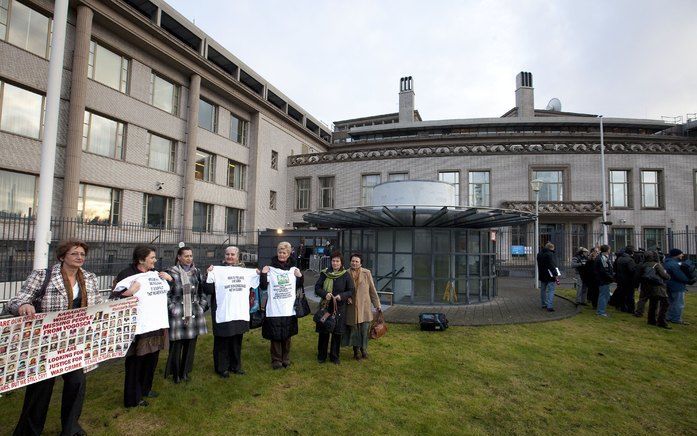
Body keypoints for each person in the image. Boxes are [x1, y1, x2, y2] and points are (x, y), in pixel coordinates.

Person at [8, 239, 103, 436]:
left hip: (75, 341)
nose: (79, 258)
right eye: (74, 254)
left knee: (76, 384)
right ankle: (29, 430)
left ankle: (71, 428)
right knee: (41, 388)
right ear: (62, 257)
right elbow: (17, 299)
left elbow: (99, 304)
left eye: (82, 254)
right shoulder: (43, 276)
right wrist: (22, 306)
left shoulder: (90, 278)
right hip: (46, 342)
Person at [112, 245, 172, 408]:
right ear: (140, 260)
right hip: (138, 327)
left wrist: (169, 279)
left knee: (151, 359)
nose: (155, 260)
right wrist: (129, 292)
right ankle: (132, 398)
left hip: (156, 323)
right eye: (152, 257)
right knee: (136, 363)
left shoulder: (155, 274)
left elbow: (165, 290)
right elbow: (114, 299)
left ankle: (146, 389)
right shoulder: (127, 275)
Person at [164, 246, 208, 383]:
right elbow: (166, 293)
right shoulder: (171, 272)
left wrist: (202, 306)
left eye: (191, 256)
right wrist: (172, 308)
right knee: (177, 344)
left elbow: (202, 291)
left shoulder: (197, 272)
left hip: (194, 312)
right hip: (178, 312)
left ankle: (185, 372)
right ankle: (175, 373)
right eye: (186, 256)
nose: (189, 258)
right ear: (179, 257)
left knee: (190, 344)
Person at [206, 246, 251, 377]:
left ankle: (235, 366)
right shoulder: (217, 270)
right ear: (224, 256)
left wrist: (259, 274)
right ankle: (221, 368)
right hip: (223, 310)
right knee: (222, 341)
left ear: (238, 257)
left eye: (233, 254)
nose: (230, 257)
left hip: (238, 311)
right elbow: (208, 290)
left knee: (237, 340)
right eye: (227, 254)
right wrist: (208, 274)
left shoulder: (244, 271)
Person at [259, 242, 303, 369]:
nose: (282, 255)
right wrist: (263, 274)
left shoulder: (293, 269)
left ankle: (286, 357)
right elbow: (262, 286)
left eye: (284, 253)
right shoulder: (270, 268)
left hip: (288, 308)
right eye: (280, 252)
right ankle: (276, 359)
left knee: (287, 335)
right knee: (275, 334)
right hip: (274, 308)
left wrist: (299, 276)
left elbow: (298, 285)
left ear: (289, 254)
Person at [314, 251, 354, 364]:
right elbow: (317, 287)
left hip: (339, 309)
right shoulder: (325, 273)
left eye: (337, 261)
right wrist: (324, 294)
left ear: (341, 263)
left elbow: (351, 290)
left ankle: (334, 356)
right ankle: (321, 355)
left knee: (337, 333)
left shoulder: (346, 275)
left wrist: (341, 296)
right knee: (324, 331)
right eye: (333, 261)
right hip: (325, 308)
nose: (335, 263)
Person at [345, 253, 381, 360]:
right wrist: (347, 297)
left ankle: (364, 350)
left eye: (357, 261)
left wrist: (377, 305)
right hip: (352, 308)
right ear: (350, 262)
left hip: (364, 307)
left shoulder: (367, 273)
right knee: (355, 331)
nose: (354, 263)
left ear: (360, 263)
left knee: (365, 330)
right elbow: (343, 290)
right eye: (353, 261)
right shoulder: (346, 273)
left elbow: (372, 290)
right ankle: (356, 352)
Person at [639, 251, 671, 328]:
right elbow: (665, 276)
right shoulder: (657, 265)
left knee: (653, 304)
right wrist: (668, 276)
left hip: (647, 286)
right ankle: (661, 321)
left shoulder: (643, 265)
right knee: (665, 304)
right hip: (658, 286)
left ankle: (651, 320)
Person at [664, 248, 691, 325]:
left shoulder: (666, 262)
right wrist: (688, 280)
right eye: (681, 254)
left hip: (668, 285)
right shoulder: (675, 264)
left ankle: (669, 316)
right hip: (677, 286)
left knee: (670, 302)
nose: (682, 255)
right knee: (678, 303)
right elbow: (680, 276)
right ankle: (676, 318)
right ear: (676, 255)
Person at [614, 246, 639, 313]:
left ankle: (622, 307)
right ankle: (631, 309)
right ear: (632, 252)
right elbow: (632, 270)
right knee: (630, 295)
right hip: (629, 280)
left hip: (621, 279)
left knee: (622, 294)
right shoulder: (630, 260)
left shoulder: (620, 258)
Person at [536, 242, 560, 312]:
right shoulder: (550, 254)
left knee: (543, 290)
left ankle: (544, 304)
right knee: (551, 290)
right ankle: (549, 306)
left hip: (542, 274)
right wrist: (555, 274)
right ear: (551, 248)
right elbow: (552, 265)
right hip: (550, 275)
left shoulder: (539, 254)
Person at [594, 244, 615, 317]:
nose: (610, 250)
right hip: (603, 280)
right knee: (603, 295)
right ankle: (601, 312)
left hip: (603, 279)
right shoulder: (602, 258)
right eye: (609, 249)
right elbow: (604, 270)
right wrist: (611, 277)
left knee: (605, 295)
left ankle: (601, 310)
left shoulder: (603, 257)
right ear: (607, 250)